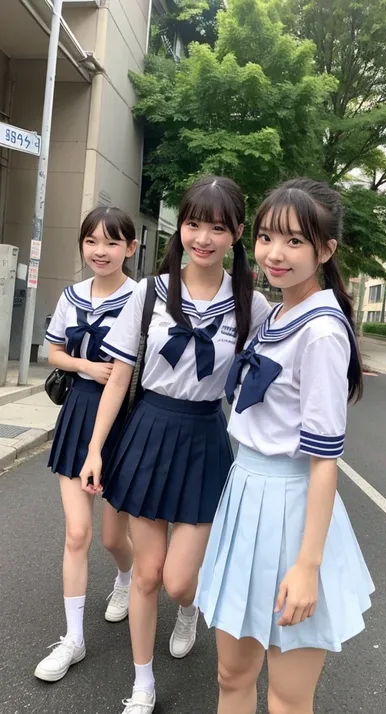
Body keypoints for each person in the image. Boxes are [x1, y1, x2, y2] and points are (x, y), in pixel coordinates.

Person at [79, 176, 270, 714]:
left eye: (217, 226)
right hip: (149, 430)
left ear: (236, 233)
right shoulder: (149, 292)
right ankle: (142, 684)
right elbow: (118, 378)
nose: (202, 237)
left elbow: (260, 385)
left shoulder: (251, 305)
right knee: (146, 573)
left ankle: (187, 610)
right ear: (179, 228)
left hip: (205, 438)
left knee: (180, 580)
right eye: (193, 223)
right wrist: (95, 451)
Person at [196, 178, 375, 714]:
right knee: (232, 676)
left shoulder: (320, 331)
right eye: (269, 237)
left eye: (295, 241)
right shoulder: (274, 314)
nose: (276, 254)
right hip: (245, 496)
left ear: (326, 250)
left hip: (292, 510)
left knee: (287, 696)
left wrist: (307, 567)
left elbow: (324, 464)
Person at [34, 207, 137, 683]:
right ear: (82, 245)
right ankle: (72, 638)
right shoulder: (71, 296)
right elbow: (52, 352)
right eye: (92, 241)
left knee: (116, 537)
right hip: (78, 415)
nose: (101, 250)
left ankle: (124, 578)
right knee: (78, 533)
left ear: (130, 249)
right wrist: (85, 367)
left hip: (126, 421)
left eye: (112, 242)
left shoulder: (142, 298)